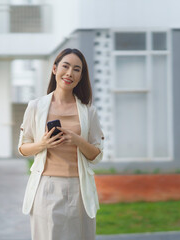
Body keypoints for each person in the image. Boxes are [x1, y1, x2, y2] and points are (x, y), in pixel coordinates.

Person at [18, 48, 104, 240]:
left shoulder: (89, 112)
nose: (69, 73)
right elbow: (23, 147)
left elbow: (97, 155)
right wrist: (43, 144)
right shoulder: (35, 106)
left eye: (76, 69)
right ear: (54, 69)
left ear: (81, 76)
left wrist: (78, 140)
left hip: (80, 189)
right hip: (47, 187)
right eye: (65, 66)